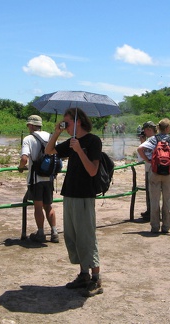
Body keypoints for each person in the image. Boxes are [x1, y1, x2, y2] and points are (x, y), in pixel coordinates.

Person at [45, 108, 103, 298]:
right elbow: (49, 150)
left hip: (85, 195)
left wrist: (79, 151)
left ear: (78, 121)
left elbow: (93, 170)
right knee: (74, 237)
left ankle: (96, 279)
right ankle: (83, 275)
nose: (65, 125)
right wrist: (57, 132)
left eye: (67, 122)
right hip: (70, 194)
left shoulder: (93, 141)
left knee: (86, 236)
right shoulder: (71, 142)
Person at [137, 118, 170, 234]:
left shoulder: (153, 139)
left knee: (154, 200)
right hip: (168, 172)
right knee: (167, 200)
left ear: (158, 128)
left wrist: (148, 160)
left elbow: (140, 149)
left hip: (154, 172)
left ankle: (155, 227)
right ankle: (166, 226)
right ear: (168, 128)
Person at [18, 115, 59, 244]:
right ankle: (54, 232)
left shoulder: (28, 139)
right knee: (48, 206)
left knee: (38, 207)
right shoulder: (51, 136)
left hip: (36, 179)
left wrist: (20, 167)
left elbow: (24, 159)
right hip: (49, 178)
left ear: (30, 125)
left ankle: (40, 233)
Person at [137, 121, 157, 221]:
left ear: (149, 129)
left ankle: (151, 213)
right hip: (162, 169)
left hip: (150, 169)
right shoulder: (160, 138)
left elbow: (142, 155)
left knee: (150, 192)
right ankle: (154, 212)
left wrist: (142, 143)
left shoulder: (150, 141)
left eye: (145, 130)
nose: (144, 132)